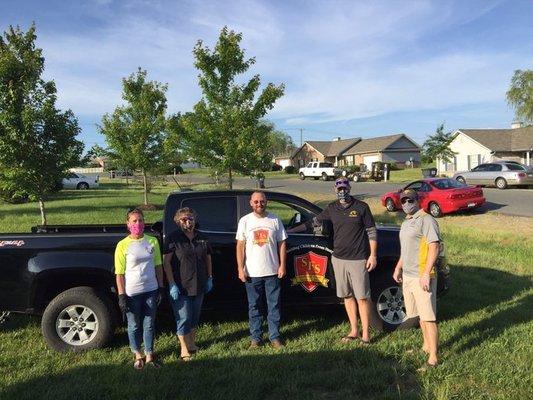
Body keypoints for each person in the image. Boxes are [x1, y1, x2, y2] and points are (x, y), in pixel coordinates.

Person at [314, 177, 377, 344]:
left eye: (344, 187)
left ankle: (366, 335)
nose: (342, 191)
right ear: (335, 190)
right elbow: (315, 221)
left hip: (358, 259)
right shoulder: (332, 208)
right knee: (347, 296)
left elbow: (371, 232)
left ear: (350, 188)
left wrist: (373, 255)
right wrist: (292, 229)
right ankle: (354, 330)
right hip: (338, 259)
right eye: (339, 188)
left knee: (362, 297)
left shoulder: (362, 207)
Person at [392, 189, 441, 369]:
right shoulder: (406, 222)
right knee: (419, 315)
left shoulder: (426, 220)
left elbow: (434, 247)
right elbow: (405, 250)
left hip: (422, 275)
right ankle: (426, 346)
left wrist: (426, 273)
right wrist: (398, 267)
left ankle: (434, 358)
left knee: (428, 317)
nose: (406, 204)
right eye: (403, 200)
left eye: (409, 200)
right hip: (408, 275)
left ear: (418, 200)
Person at [236, 191, 287, 349]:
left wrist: (282, 265)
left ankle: (274, 337)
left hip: (272, 271)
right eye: (256, 201)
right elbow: (240, 246)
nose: (259, 204)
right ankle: (256, 338)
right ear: (251, 203)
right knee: (254, 307)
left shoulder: (275, 220)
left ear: (267, 202)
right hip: (252, 273)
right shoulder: (245, 221)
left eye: (262, 201)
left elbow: (282, 243)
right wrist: (240, 268)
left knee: (274, 306)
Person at [115, 208, 164, 369]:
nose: (138, 223)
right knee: (134, 324)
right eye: (134, 221)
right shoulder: (123, 245)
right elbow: (120, 273)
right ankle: (137, 354)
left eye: (141, 220)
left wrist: (161, 287)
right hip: (132, 292)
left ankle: (149, 354)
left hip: (151, 289)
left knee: (149, 323)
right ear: (128, 224)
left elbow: (158, 266)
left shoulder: (152, 241)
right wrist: (122, 295)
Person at [163, 207, 213, 361]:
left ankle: (191, 344)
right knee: (183, 317)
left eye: (190, 218)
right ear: (178, 221)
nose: (187, 221)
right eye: (184, 219)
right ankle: (184, 349)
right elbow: (166, 262)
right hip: (181, 285)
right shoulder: (173, 238)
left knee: (194, 316)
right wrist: (171, 283)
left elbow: (208, 258)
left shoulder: (202, 237)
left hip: (199, 283)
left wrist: (210, 277)